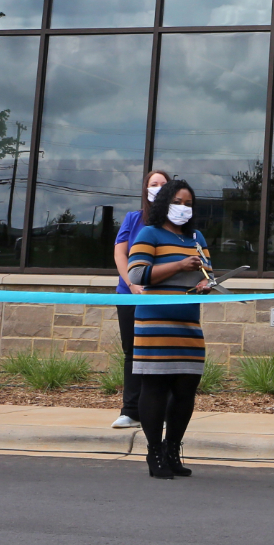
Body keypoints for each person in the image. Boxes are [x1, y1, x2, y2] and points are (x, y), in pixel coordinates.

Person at [126, 178, 214, 480]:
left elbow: (207, 275)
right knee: (155, 387)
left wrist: (205, 284)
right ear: (164, 203)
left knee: (185, 389)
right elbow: (136, 273)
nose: (183, 208)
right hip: (155, 324)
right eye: (178, 202)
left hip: (188, 324)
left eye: (188, 204)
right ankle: (153, 452)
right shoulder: (148, 233)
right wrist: (178, 266)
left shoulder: (197, 237)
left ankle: (172, 449)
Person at [109, 168, 168, 430]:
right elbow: (120, 254)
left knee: (162, 352)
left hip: (163, 297)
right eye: (153, 184)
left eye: (163, 184)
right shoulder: (133, 219)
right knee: (132, 351)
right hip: (130, 296)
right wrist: (132, 283)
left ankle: (162, 410)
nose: (157, 187)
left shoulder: (176, 223)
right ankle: (131, 410)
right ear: (145, 189)